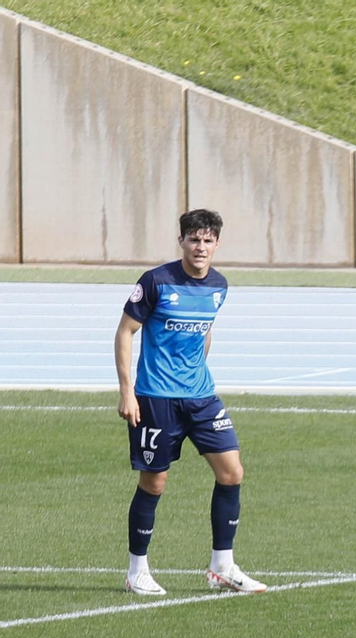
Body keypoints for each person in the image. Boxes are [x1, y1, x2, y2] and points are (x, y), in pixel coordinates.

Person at [114, 208, 265, 596]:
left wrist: (197, 372)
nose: (200, 247)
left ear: (217, 243)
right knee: (155, 481)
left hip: (201, 397)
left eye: (208, 240)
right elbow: (126, 332)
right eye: (194, 239)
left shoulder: (219, 286)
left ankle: (222, 566)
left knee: (232, 472)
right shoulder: (156, 282)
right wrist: (127, 391)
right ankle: (136, 571)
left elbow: (205, 331)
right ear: (181, 241)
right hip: (156, 399)